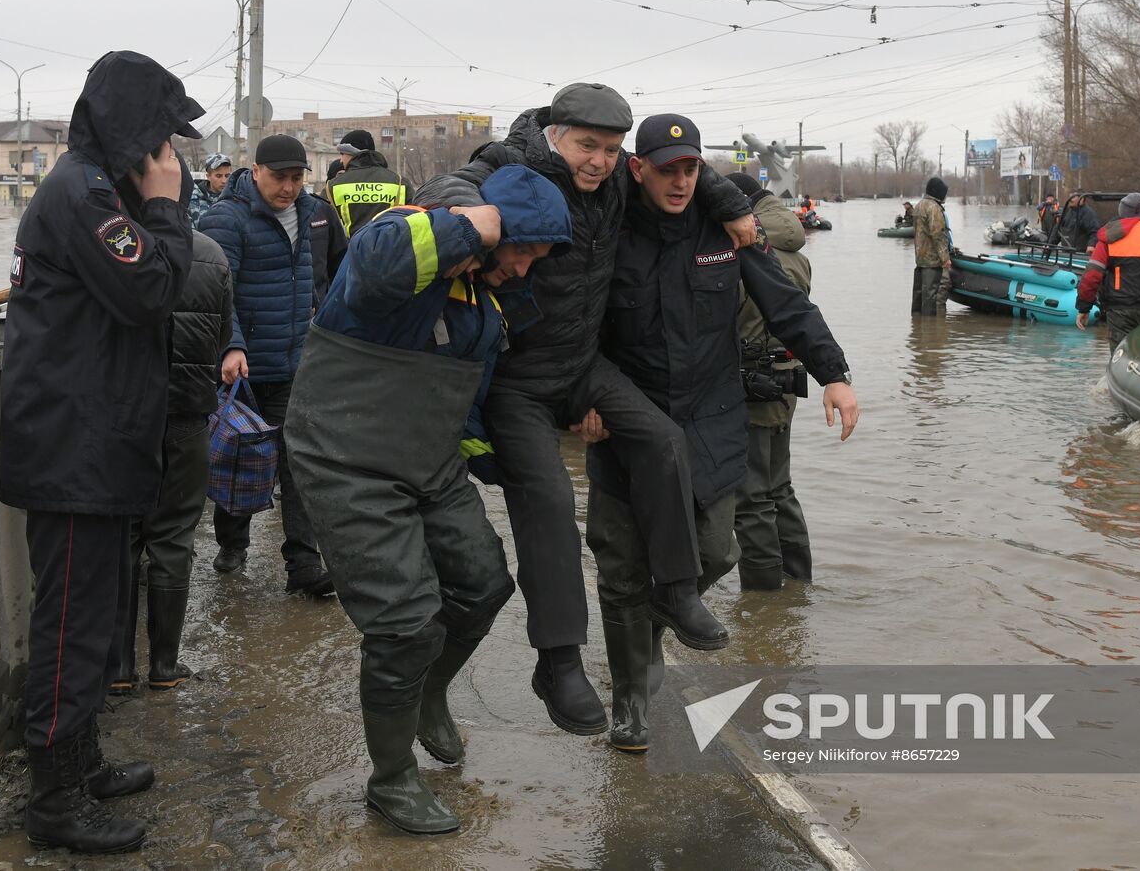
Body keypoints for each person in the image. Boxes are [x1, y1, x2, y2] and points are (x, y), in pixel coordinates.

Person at [414, 83, 757, 736]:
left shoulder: (620, 182)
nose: (598, 161)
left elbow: (681, 167)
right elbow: (446, 187)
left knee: (660, 439)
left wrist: (733, 204)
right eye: (585, 145)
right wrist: (476, 218)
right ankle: (559, 658)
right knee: (546, 501)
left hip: (582, 368)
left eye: (609, 148)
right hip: (516, 378)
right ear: (554, 134)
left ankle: (678, 590)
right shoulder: (513, 163)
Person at [286, 164, 572, 833]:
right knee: (403, 621)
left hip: (428, 457)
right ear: (488, 227)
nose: (526, 268)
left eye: (539, 257)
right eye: (522, 249)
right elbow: (379, 261)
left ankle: (429, 691)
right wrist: (482, 220)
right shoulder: (401, 237)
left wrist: (501, 465)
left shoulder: (483, 297)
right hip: (344, 454)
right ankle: (391, 779)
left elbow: (463, 398)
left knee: (484, 582)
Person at [586, 115, 857, 753]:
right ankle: (631, 696)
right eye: (666, 169)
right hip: (628, 421)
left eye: (690, 169)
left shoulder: (726, 234)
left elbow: (786, 305)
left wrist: (835, 374)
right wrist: (581, 399)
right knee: (623, 566)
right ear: (638, 169)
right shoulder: (608, 233)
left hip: (711, 418)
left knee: (717, 551)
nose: (679, 181)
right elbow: (572, 325)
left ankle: (652, 626)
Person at [0, 51, 202, 854]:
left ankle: (78, 761)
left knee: (90, 619)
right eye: (163, 138)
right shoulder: (84, 193)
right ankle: (54, 798)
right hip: (73, 448)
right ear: (133, 132)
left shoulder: (95, 188)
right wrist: (166, 206)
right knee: (70, 625)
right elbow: (153, 288)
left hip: (94, 443)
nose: (172, 155)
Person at [112, 182, 234, 694]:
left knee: (123, 537)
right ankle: (164, 667)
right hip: (187, 416)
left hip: (125, 421)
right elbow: (224, 335)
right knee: (174, 537)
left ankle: (116, 670)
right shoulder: (210, 254)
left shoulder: (118, 252)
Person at [198, 134, 329, 595]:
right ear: (255, 171)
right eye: (279, 177)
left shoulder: (310, 214)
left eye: (296, 178)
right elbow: (215, 291)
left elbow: (313, 280)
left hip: (293, 363)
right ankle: (233, 544)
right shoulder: (226, 220)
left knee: (298, 464)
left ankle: (303, 566)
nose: (288, 188)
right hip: (244, 369)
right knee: (241, 456)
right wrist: (231, 346)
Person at [724, 172, 815, 590]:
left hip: (752, 384)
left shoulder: (747, 248)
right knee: (780, 488)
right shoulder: (796, 247)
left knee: (752, 497)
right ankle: (798, 583)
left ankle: (763, 598)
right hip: (785, 381)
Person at [1075, 191, 1140, 348]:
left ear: (1121, 212)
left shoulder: (1108, 238)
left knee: (1120, 354)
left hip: (1118, 309)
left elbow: (1092, 275)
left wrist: (1084, 307)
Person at [326, 129, 412, 236]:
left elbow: (324, 230)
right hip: (393, 250)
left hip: (351, 251)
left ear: (352, 153)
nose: (341, 160)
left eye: (342, 154)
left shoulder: (333, 186)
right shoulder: (400, 183)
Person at [912, 176, 951, 316]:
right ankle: (929, 332)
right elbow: (938, 235)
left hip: (920, 260)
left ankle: (916, 329)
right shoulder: (934, 208)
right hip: (932, 262)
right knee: (930, 297)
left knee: (918, 296)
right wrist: (945, 258)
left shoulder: (919, 205)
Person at [188, 153, 232, 229]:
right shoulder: (192, 199)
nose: (224, 181)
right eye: (218, 176)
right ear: (208, 176)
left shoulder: (235, 199)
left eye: (227, 176)